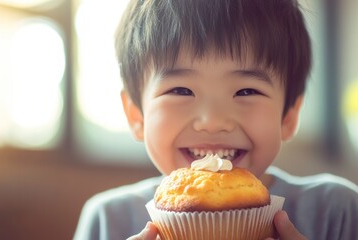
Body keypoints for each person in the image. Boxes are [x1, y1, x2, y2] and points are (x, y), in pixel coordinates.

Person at [74, 0, 358, 239]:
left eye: (247, 90)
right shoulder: (108, 221)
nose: (212, 121)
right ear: (136, 115)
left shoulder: (336, 211)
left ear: (289, 115)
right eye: (181, 90)